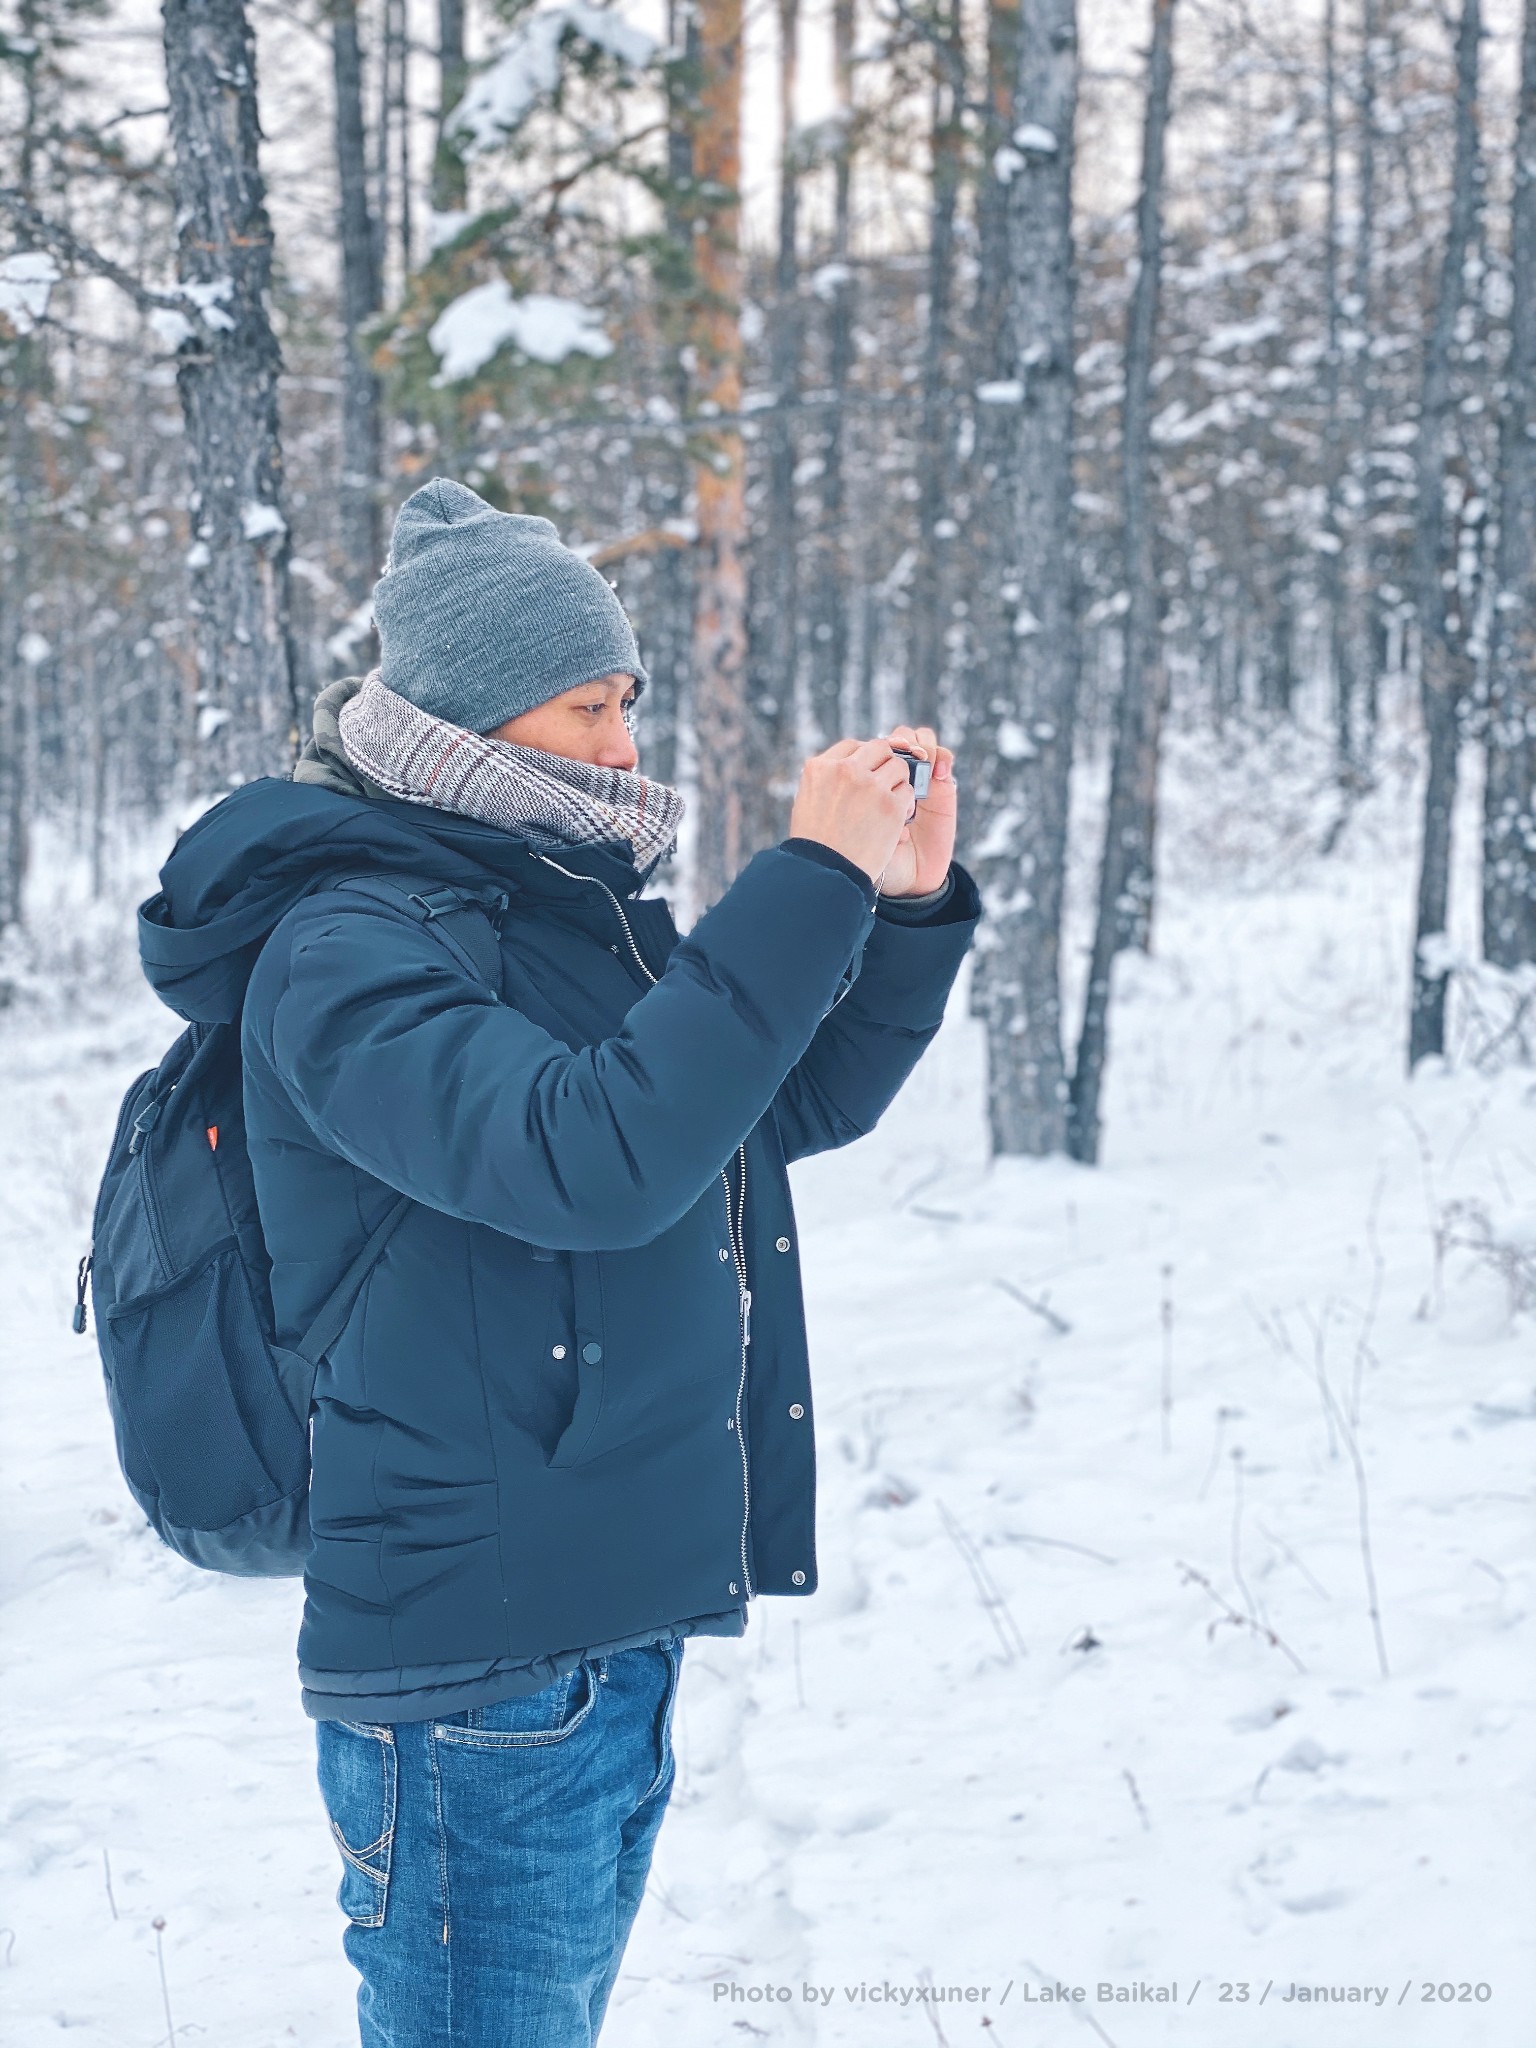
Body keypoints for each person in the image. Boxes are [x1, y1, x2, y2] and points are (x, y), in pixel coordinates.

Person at [140, 478, 980, 2046]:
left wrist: (904, 904)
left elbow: (769, 1106)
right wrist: (802, 879)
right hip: (476, 1671)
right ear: (468, 724)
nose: (625, 744)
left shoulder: (555, 917)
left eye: (627, 703)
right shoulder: (346, 949)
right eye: (588, 708)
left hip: (602, 1634)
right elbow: (587, 1159)